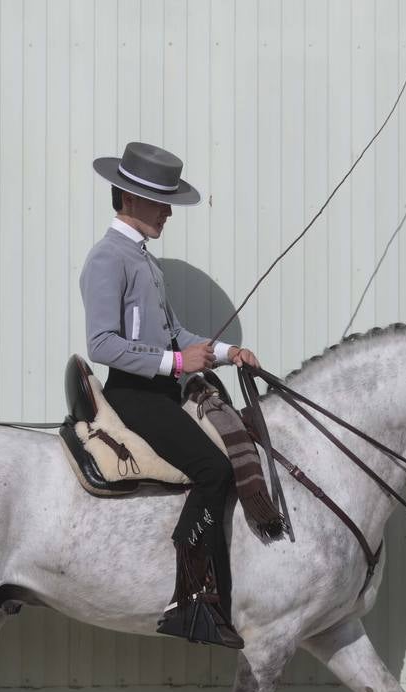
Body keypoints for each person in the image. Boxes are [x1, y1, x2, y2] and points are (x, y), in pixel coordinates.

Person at [80, 141, 259, 651]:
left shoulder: (143, 261)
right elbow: (102, 344)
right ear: (130, 199)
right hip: (137, 396)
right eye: (161, 203)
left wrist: (227, 352)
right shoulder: (107, 259)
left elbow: (172, 330)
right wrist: (178, 365)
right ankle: (191, 593)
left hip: (161, 388)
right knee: (215, 470)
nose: (167, 214)